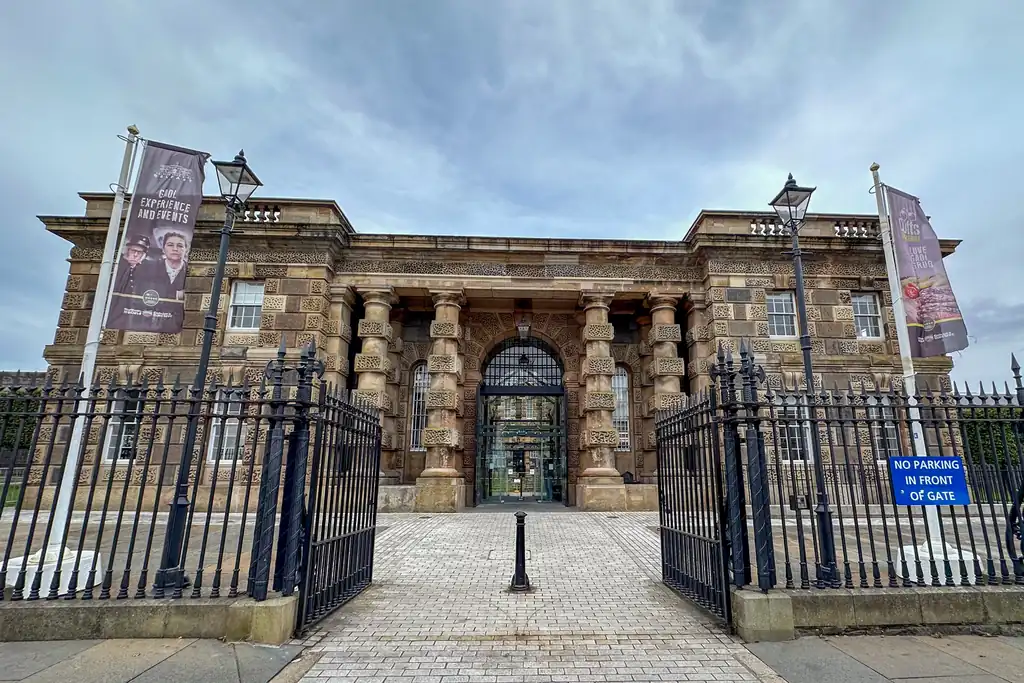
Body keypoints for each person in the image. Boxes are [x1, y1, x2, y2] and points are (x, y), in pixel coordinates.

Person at [137, 228, 189, 333]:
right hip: (146, 326)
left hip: (177, 329)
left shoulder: (190, 271)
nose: (175, 249)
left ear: (186, 250)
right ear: (163, 249)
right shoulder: (147, 268)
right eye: (170, 245)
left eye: (180, 246)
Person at [105, 234, 152, 330]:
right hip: (114, 311)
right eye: (133, 251)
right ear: (128, 250)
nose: (135, 255)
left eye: (139, 252)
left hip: (136, 313)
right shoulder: (118, 266)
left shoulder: (147, 270)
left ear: (144, 255)